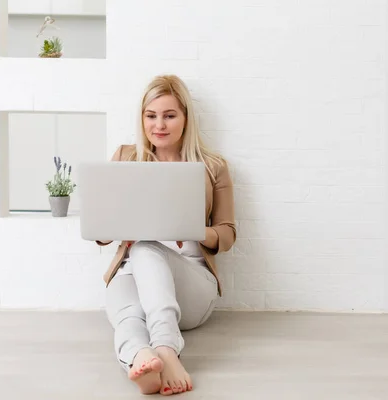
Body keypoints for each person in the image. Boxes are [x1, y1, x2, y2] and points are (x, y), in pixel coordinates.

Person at [96, 75, 236, 396]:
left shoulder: (213, 166)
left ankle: (166, 347)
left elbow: (227, 235)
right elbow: (102, 234)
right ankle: (142, 358)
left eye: (169, 115)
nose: (159, 125)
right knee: (128, 314)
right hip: (132, 274)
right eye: (151, 115)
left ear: (186, 118)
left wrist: (190, 228)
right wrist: (114, 226)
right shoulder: (125, 157)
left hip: (192, 285)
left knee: (146, 245)